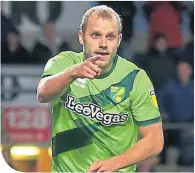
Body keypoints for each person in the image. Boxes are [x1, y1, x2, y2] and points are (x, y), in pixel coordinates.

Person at [37, 5, 164, 172]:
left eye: (110, 37)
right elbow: (43, 93)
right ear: (81, 37)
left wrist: (115, 163)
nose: (103, 44)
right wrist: (73, 73)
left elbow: (155, 140)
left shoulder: (134, 78)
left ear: (118, 40)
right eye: (96, 35)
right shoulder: (64, 63)